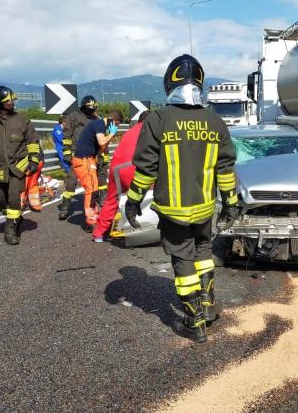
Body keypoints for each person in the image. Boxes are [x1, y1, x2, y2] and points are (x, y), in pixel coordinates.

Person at [125, 54, 240, 343]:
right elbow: (225, 169)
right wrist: (231, 203)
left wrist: (133, 200)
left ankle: (193, 321)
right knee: (203, 253)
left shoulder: (158, 119)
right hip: (204, 209)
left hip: (173, 211)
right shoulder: (215, 121)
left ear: (170, 82)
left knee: (183, 259)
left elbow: (145, 168)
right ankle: (210, 305)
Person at [0, 86, 40, 245]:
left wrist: (33, 160)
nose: (12, 103)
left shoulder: (22, 120)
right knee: (1, 199)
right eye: (8, 101)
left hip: (18, 166)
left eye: (13, 100)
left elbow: (32, 141)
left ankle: (10, 229)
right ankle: (15, 218)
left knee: (14, 197)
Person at [92, 110, 149, 243]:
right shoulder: (149, 130)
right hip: (132, 167)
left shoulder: (130, 130)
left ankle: (99, 233)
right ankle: (147, 228)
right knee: (155, 190)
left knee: (111, 200)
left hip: (115, 167)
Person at [73, 110, 123, 232]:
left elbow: (101, 149)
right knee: (91, 190)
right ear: (113, 121)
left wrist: (110, 137)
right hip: (83, 160)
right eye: (116, 125)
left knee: (94, 190)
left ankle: (94, 215)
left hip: (88, 159)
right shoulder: (99, 125)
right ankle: (90, 221)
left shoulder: (99, 125)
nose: (115, 127)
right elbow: (101, 141)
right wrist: (111, 134)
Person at [58, 96, 99, 220]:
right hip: (76, 154)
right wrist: (66, 152)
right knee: (71, 181)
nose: (91, 111)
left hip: (90, 155)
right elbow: (67, 134)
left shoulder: (95, 119)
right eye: (89, 109)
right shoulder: (73, 116)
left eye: (93, 109)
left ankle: (91, 207)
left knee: (91, 183)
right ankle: (65, 207)